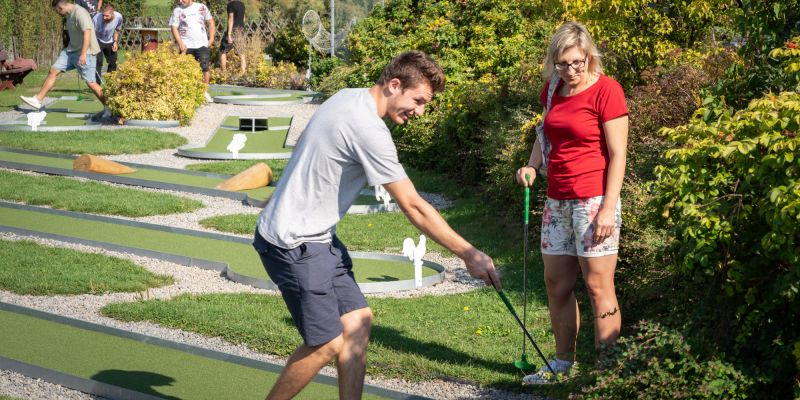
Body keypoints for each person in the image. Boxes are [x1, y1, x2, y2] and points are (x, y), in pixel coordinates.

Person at [252, 50, 499, 399]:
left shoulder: (347, 97)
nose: (420, 111)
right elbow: (413, 205)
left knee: (357, 322)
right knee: (326, 343)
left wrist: (284, 192)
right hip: (293, 243)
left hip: (317, 237)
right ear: (393, 85)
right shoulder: (369, 130)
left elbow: (307, 147)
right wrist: (469, 254)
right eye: (417, 100)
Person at [515, 21, 629, 384]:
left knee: (598, 287)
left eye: (578, 62)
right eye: (563, 64)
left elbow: (619, 153)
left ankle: (607, 375)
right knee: (556, 283)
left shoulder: (607, 91)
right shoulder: (551, 90)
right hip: (557, 200)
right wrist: (532, 166)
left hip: (594, 200)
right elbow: (544, 132)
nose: (572, 71)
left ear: (590, 56)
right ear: (553, 62)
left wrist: (608, 208)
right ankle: (563, 365)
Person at [20, 0, 110, 121]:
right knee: (53, 70)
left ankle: (110, 107)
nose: (57, 13)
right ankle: (38, 100)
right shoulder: (70, 15)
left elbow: (87, 33)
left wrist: (83, 54)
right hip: (70, 52)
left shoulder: (80, 13)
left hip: (86, 53)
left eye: (56, 10)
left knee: (91, 83)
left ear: (60, 7)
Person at [169, 0, 215, 102]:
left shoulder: (201, 7)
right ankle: (185, 93)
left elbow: (211, 22)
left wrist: (211, 39)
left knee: (204, 67)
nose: (181, 1)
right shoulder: (177, 10)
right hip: (186, 45)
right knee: (184, 69)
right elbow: (174, 27)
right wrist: (180, 43)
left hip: (201, 44)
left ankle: (204, 92)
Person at [92, 4, 123, 81]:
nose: (104, 17)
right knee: (98, 63)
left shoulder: (119, 17)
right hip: (97, 40)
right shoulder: (96, 19)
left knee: (113, 62)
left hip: (110, 41)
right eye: (103, 15)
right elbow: (90, 33)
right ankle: (97, 85)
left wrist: (115, 42)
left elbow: (117, 30)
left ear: (112, 14)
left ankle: (110, 83)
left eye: (107, 16)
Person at [219, 0, 246, 74]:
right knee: (241, 52)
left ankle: (224, 73)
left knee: (222, 51)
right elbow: (244, 18)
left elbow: (231, 19)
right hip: (240, 31)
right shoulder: (242, 4)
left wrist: (229, 34)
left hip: (233, 30)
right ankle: (243, 73)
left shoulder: (230, 4)